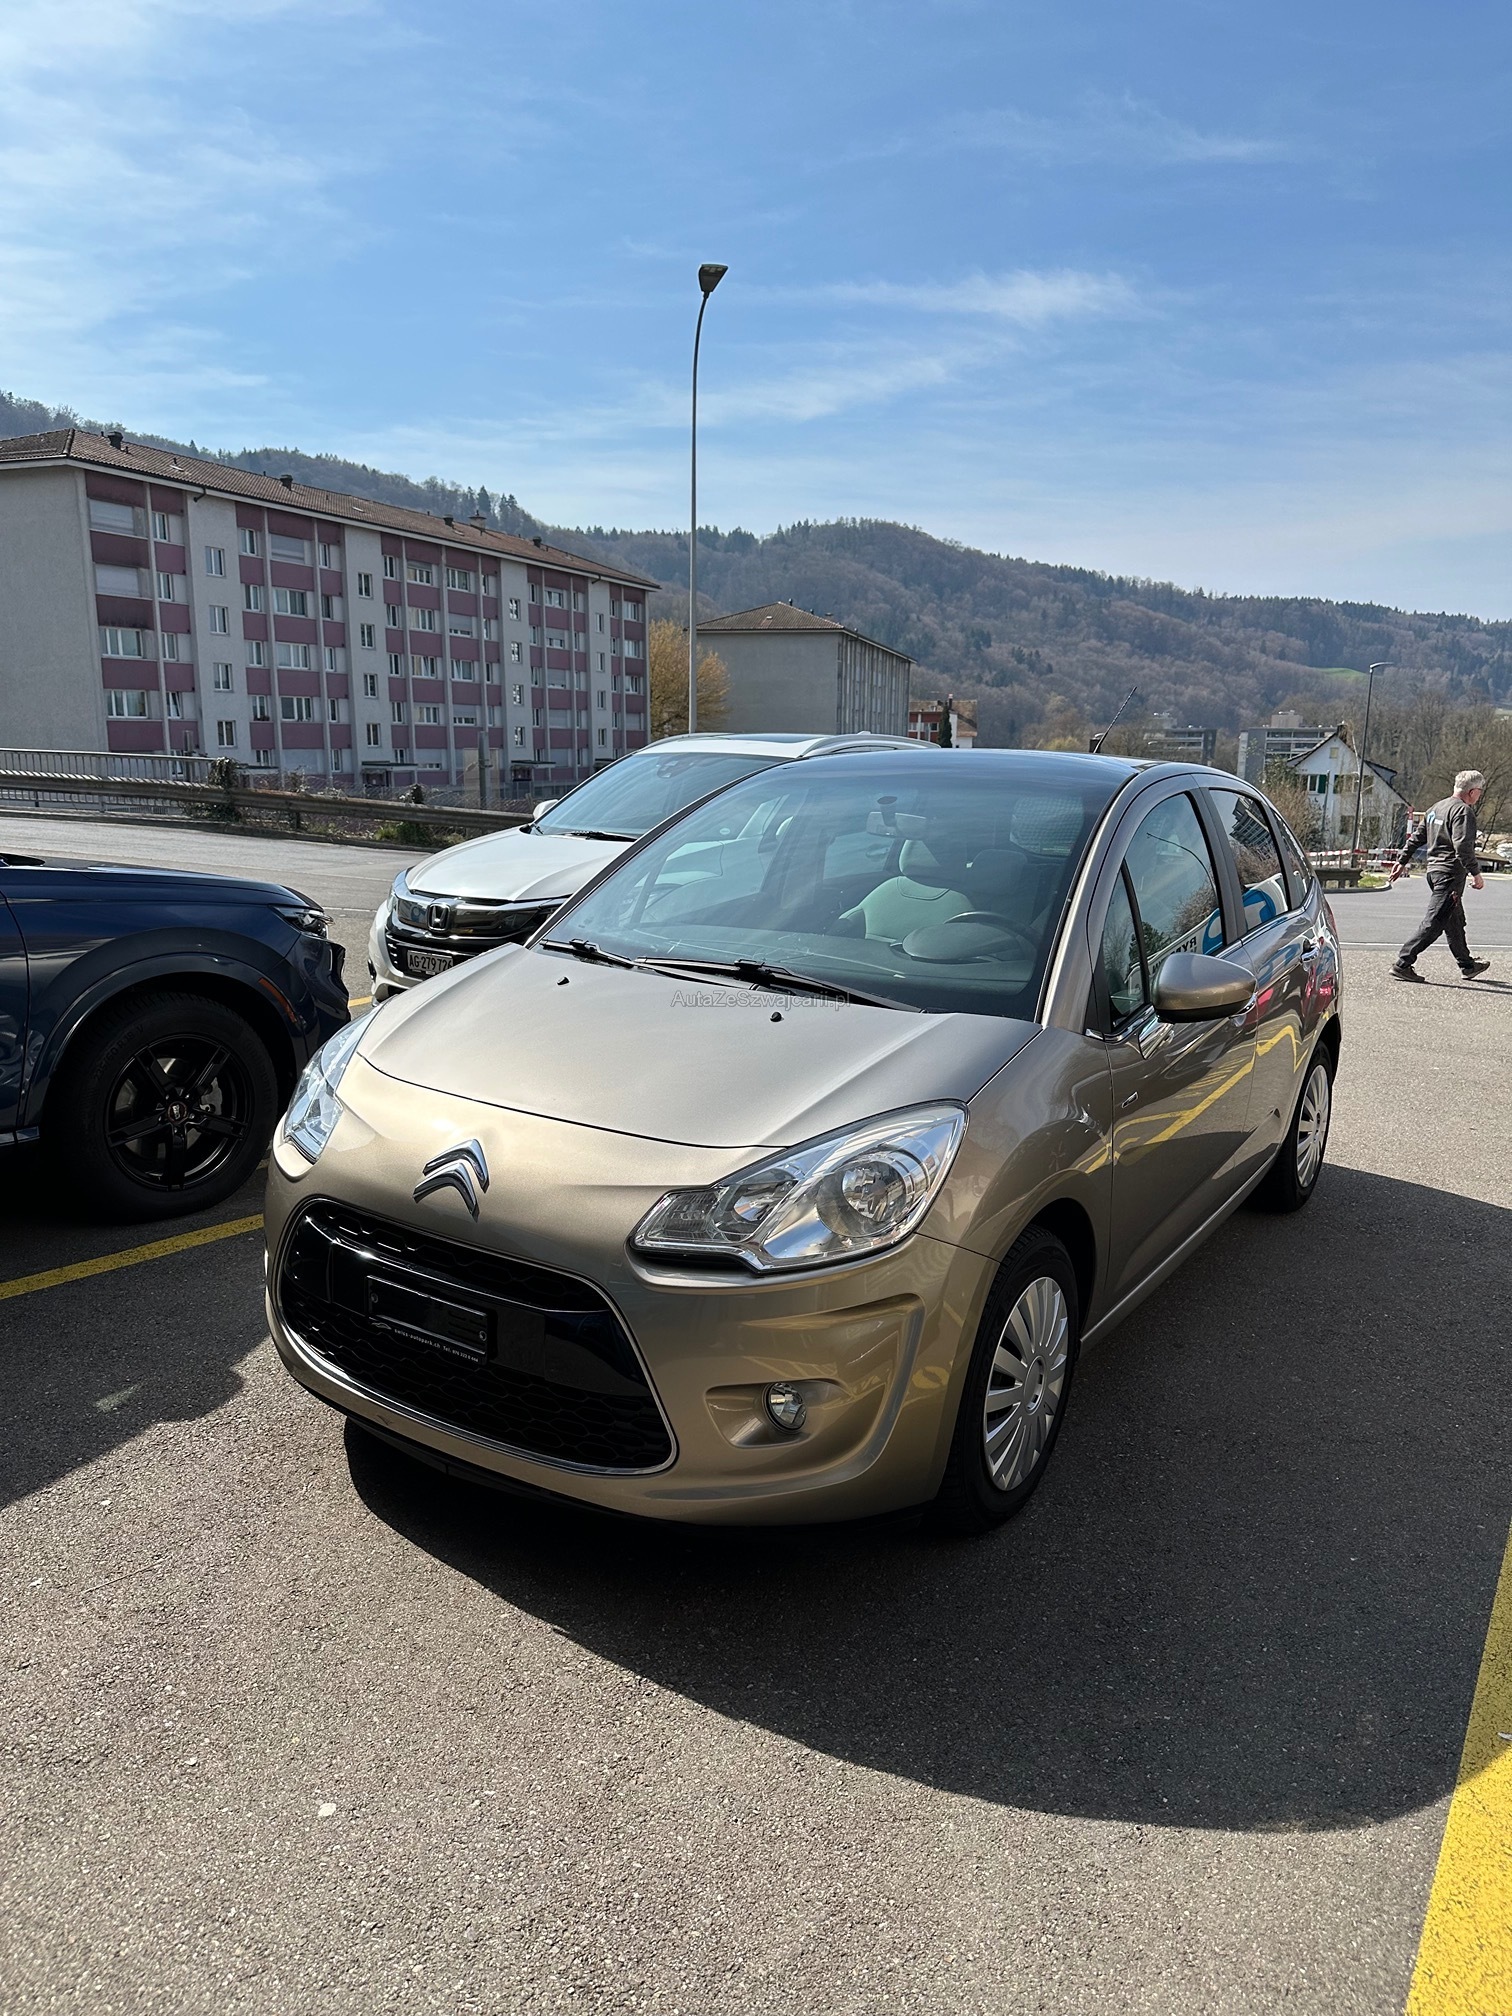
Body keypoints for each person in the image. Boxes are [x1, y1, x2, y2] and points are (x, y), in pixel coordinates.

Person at [1388, 770, 1490, 981]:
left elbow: (1416, 838)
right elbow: (1463, 847)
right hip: (1450, 874)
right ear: (1472, 792)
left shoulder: (1436, 808)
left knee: (1454, 920)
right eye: (1479, 791)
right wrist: (1476, 873)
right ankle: (1403, 963)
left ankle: (1467, 965)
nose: (1479, 795)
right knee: (1435, 921)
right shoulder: (1463, 811)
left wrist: (1401, 861)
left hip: (1434, 871)